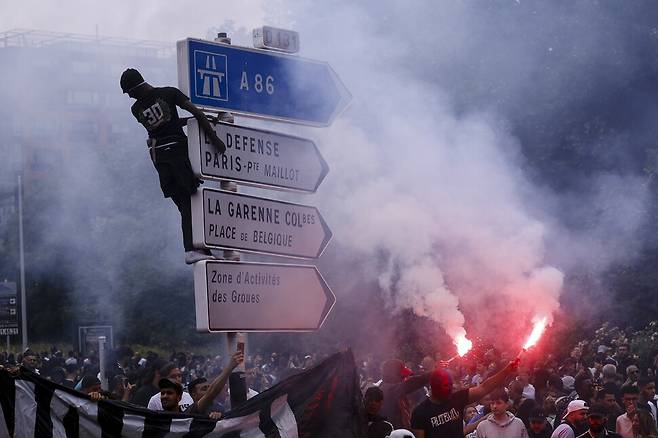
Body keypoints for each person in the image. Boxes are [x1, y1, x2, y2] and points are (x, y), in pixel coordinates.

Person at [120, 68, 227, 264]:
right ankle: (192, 248)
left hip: (159, 158)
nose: (130, 97)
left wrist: (191, 121)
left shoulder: (136, 110)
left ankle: (201, 247)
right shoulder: (169, 93)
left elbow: (168, 122)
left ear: (135, 88)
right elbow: (196, 113)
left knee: (183, 203)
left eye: (129, 92)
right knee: (189, 200)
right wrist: (215, 140)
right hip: (177, 153)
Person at [410, 358, 520, 438]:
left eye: (450, 385)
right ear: (434, 386)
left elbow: (484, 387)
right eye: (445, 386)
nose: (449, 389)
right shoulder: (420, 412)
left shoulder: (456, 398)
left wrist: (507, 370)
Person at [186, 350, 243, 419]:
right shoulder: (191, 410)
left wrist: (221, 416)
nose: (208, 391)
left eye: (209, 387)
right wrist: (230, 366)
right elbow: (211, 392)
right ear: (194, 395)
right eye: (204, 389)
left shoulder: (220, 407)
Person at [379, 358, 431, 429]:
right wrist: (434, 373)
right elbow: (414, 382)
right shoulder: (391, 390)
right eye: (402, 376)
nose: (405, 378)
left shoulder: (385, 387)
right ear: (394, 375)